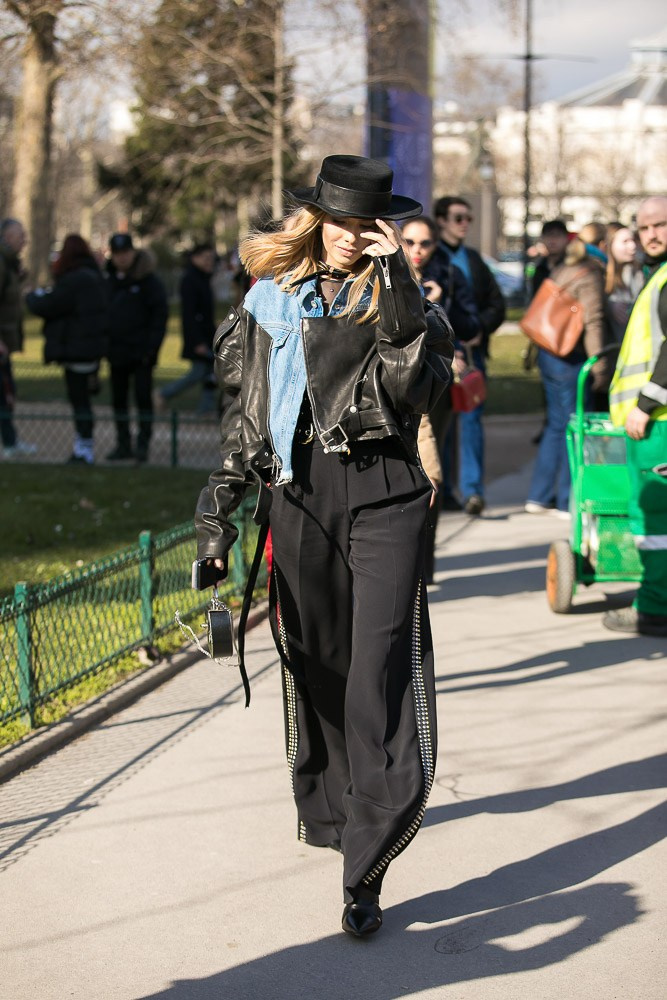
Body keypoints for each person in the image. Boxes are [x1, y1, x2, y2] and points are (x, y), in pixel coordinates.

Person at [194, 155, 453, 937]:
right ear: (316, 221)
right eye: (338, 222)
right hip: (299, 499)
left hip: (384, 494)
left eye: (365, 224)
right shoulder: (268, 301)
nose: (348, 237)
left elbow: (415, 387)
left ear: (385, 228)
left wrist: (397, 278)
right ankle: (342, 808)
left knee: (375, 675)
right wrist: (217, 517)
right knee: (321, 669)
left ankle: (364, 869)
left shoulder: (402, 302)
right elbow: (245, 420)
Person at [604, 196, 667, 637]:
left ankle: (654, 606)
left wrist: (645, 406)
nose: (652, 235)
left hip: (658, 424)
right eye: (645, 228)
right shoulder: (657, 276)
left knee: (654, 516)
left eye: (661, 225)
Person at [524, 219, 607, 517]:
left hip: (549, 353)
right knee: (574, 426)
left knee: (557, 425)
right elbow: (594, 322)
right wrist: (600, 365)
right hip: (571, 357)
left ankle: (539, 495)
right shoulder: (591, 273)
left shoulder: (564, 268)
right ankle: (566, 500)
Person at [433, 196, 506, 515]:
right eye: (458, 217)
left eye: (468, 218)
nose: (465, 224)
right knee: (442, 427)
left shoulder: (474, 260)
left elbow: (496, 304)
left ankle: (473, 491)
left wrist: (480, 328)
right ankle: (446, 489)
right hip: (440, 357)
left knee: (472, 421)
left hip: (471, 358)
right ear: (441, 221)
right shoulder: (432, 259)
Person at [25, 235, 108, 464]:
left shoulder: (74, 280)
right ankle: (83, 445)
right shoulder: (95, 276)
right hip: (90, 346)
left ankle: (84, 449)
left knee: (79, 399)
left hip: (77, 348)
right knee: (83, 398)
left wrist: (31, 297)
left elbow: (51, 306)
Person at [105, 233, 168, 463]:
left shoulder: (149, 282)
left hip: (142, 351)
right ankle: (123, 444)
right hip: (117, 350)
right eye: (117, 254)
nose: (121, 258)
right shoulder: (110, 279)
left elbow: (159, 317)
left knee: (142, 399)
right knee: (118, 400)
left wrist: (152, 348)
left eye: (125, 253)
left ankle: (143, 445)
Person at [155, 243, 217, 414]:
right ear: (194, 258)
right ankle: (164, 393)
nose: (209, 262)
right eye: (205, 258)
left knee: (209, 372)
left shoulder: (203, 278)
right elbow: (189, 314)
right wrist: (197, 341)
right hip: (198, 337)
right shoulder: (191, 280)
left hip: (206, 335)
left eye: (211, 259)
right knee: (198, 373)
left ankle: (206, 408)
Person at [0, 217, 36, 459]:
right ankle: (10, 443)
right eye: (20, 235)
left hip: (5, 340)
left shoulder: (10, 264)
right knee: (4, 391)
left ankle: (11, 440)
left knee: (6, 391)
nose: (25, 240)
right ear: (7, 237)